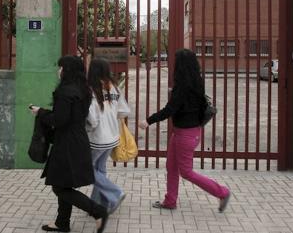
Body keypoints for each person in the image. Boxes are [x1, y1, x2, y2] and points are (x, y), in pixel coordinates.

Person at [138, 49, 232, 212]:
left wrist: (148, 121)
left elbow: (170, 109)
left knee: (186, 172)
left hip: (186, 135)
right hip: (186, 133)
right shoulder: (197, 83)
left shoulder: (182, 87)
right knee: (171, 166)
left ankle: (222, 192)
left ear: (180, 66)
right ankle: (170, 201)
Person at [30, 56, 109, 233]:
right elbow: (71, 117)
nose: (59, 71)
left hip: (66, 143)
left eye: (61, 67)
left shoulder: (65, 92)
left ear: (68, 70)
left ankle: (98, 211)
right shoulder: (84, 90)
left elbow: (59, 120)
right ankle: (62, 222)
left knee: (59, 187)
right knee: (63, 183)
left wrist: (40, 112)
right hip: (78, 140)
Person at [86, 59, 131, 214]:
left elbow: (92, 119)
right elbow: (124, 111)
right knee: (100, 169)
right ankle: (98, 204)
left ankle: (115, 192)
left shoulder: (91, 89)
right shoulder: (113, 88)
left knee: (87, 169)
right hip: (112, 137)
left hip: (97, 137)